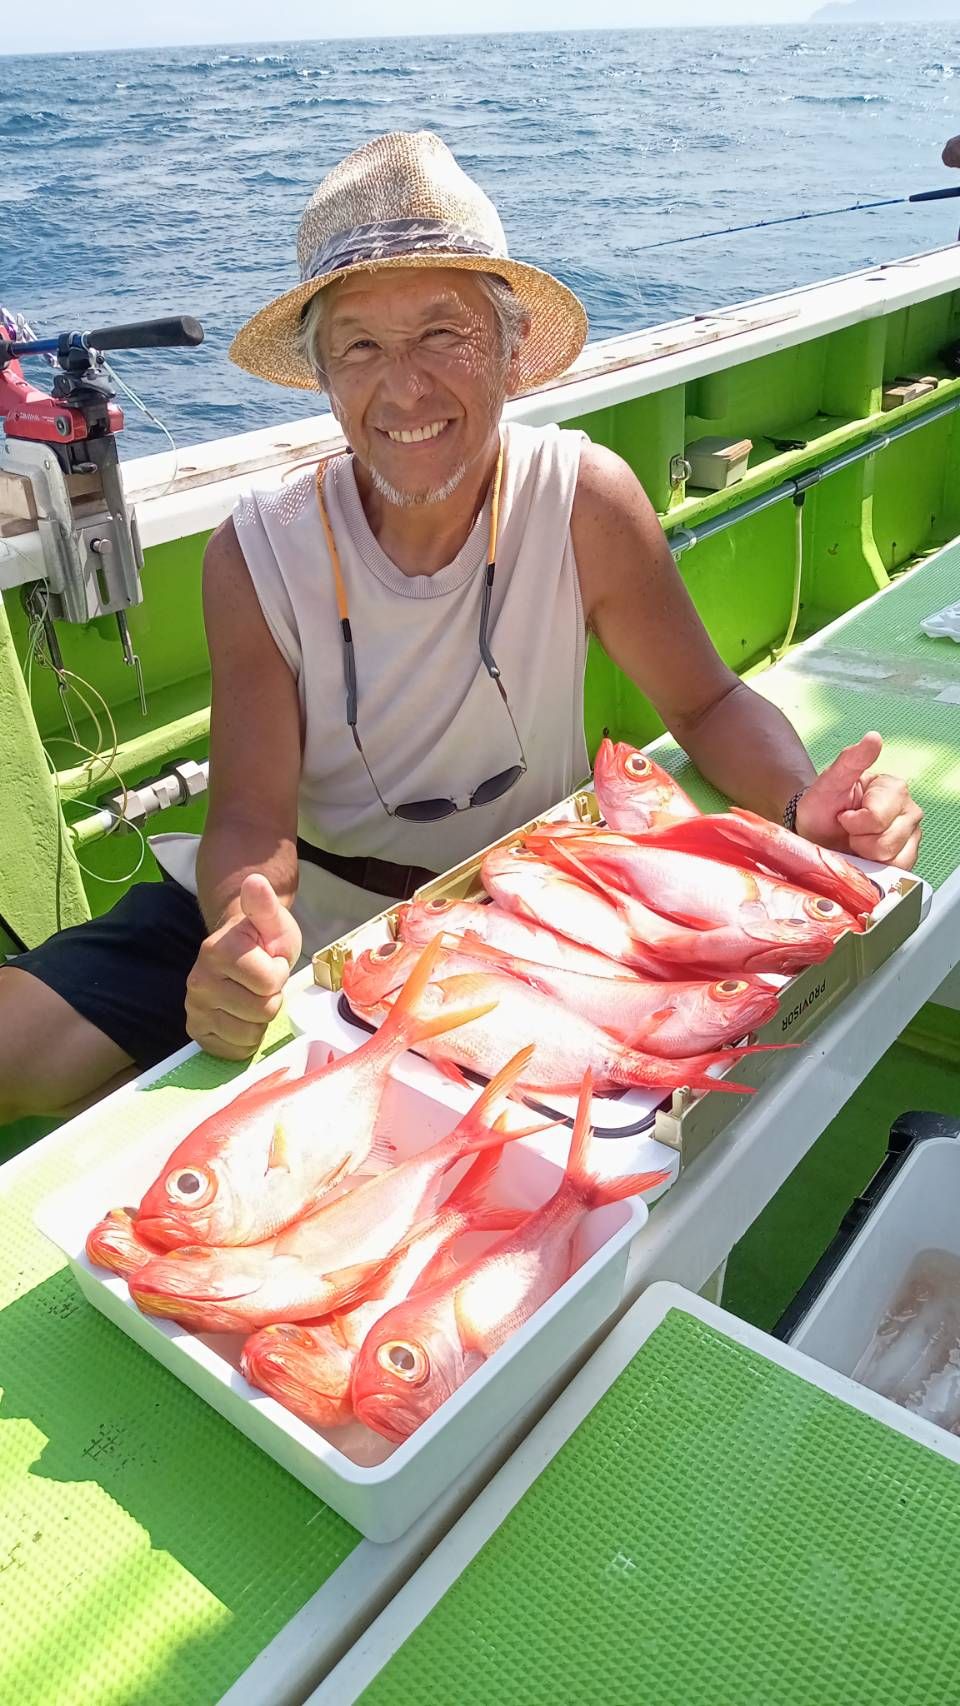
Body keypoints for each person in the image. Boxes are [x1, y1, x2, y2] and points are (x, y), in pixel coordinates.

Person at [0, 131, 922, 1124]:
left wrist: (804, 806)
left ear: (513, 354)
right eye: (360, 346)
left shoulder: (583, 500)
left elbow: (708, 702)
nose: (403, 388)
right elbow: (252, 820)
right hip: (312, 897)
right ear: (322, 375)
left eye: (445, 335)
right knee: (17, 1046)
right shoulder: (256, 549)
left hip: (520, 902)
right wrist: (243, 935)